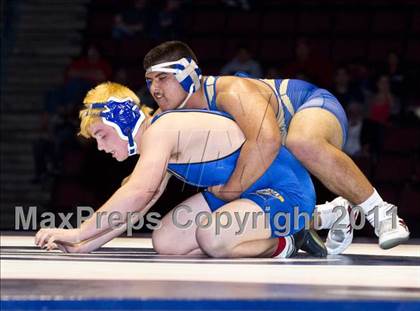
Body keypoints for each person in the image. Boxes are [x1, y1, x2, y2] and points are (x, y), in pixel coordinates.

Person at [142, 41, 410, 253]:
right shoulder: (166, 118)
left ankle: (382, 213)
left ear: (189, 74)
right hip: (272, 162)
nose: (155, 89)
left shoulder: (231, 91)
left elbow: (267, 140)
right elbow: (151, 175)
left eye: (162, 78)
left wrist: (230, 190)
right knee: (246, 195)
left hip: (307, 107)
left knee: (301, 141)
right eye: (150, 81)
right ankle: (328, 215)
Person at [35, 82, 335, 258]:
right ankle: (276, 225)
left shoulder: (162, 131)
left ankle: (292, 237)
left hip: (284, 188)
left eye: (101, 135)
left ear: (120, 120)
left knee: (213, 238)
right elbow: (140, 205)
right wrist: (87, 245)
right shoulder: (159, 133)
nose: (101, 147)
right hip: (239, 191)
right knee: (167, 241)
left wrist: (78, 232)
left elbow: (138, 192)